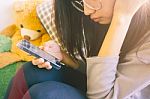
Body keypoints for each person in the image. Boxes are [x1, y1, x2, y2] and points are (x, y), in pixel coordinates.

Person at [4, 0, 150, 98]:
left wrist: (122, 17)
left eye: (93, 2)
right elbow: (105, 74)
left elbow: (103, 96)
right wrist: (64, 58)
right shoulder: (107, 19)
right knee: (32, 71)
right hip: (102, 89)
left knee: (44, 94)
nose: (86, 11)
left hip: (105, 95)